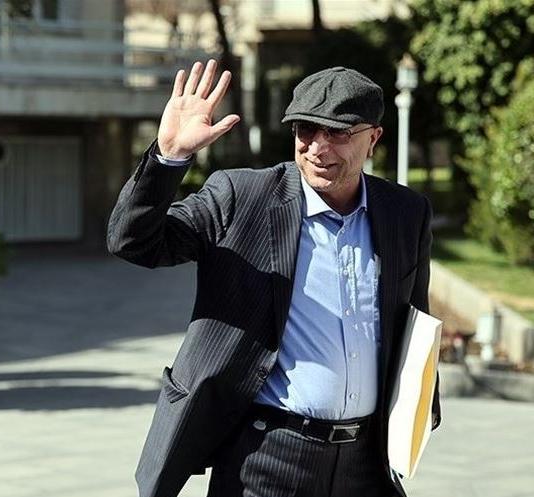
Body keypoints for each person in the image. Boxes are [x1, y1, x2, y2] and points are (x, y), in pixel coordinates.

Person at [107, 59, 440, 497]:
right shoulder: (241, 196)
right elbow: (134, 242)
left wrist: (418, 415)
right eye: (306, 130)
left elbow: (415, 321)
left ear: (373, 138)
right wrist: (169, 157)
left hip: (367, 463)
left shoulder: (405, 213)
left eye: (338, 133)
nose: (318, 148)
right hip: (266, 458)